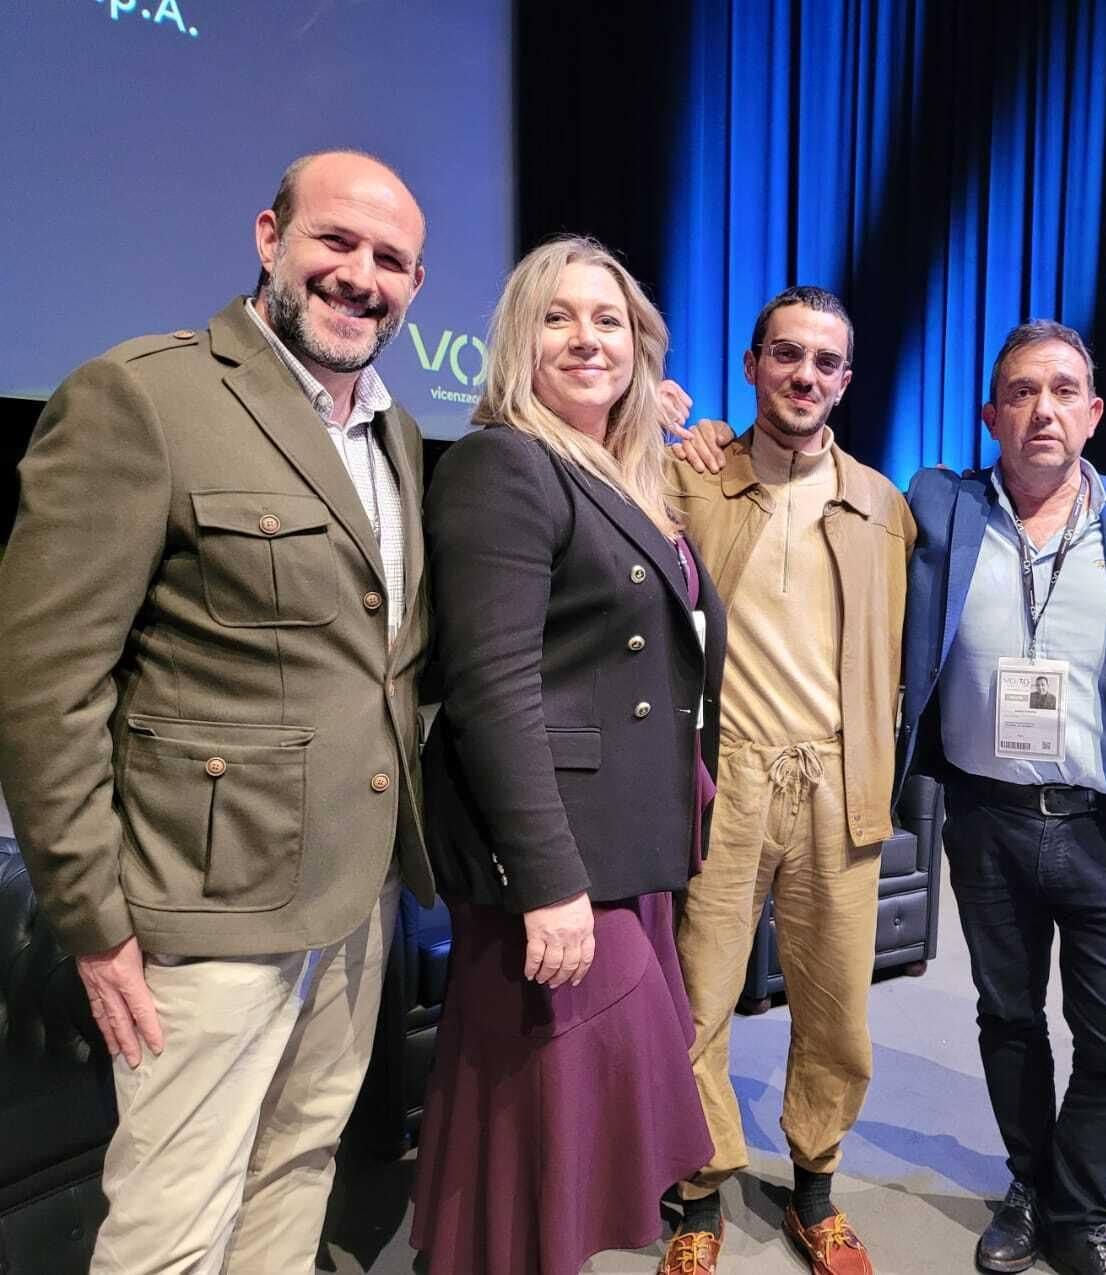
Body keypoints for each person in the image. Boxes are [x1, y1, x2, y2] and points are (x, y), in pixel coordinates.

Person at [0, 150, 432, 1272]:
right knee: (172, 1223)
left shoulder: (395, 434)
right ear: (268, 237)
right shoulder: (143, 395)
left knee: (298, 1166)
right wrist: (93, 921)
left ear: (416, 288)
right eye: (335, 241)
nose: (360, 276)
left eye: (390, 260)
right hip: (201, 915)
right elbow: (45, 687)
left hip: (350, 902)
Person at [408, 235, 727, 1275]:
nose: (586, 338)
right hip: (559, 871)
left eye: (610, 320)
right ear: (515, 337)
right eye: (558, 317)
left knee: (561, 1134)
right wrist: (549, 883)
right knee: (541, 1131)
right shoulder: (505, 462)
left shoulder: (617, 473)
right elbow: (491, 694)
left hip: (625, 853)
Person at [896, 321, 1106, 1275]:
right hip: (988, 820)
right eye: (1020, 391)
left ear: (1093, 412)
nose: (1042, 408)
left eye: (1062, 390)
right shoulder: (942, 502)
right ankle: (1026, 1182)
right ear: (990, 413)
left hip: (1105, 827)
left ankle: (1076, 1206)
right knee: (1008, 1018)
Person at [658, 286, 914, 1275]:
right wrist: (666, 426)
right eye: (787, 354)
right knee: (697, 1001)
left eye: (826, 362)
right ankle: (698, 1188)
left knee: (835, 1009)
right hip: (723, 781)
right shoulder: (693, 483)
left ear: (846, 380)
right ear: (754, 363)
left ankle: (815, 1185)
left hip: (837, 786)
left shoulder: (878, 505)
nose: (805, 375)